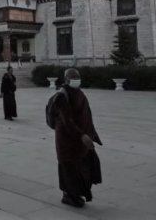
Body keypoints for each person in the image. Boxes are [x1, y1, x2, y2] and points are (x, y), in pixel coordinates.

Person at [54, 68, 102, 208]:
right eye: (73, 77)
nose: (76, 79)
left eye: (77, 76)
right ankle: (68, 195)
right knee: (70, 168)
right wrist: (82, 135)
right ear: (67, 79)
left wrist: (92, 134)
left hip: (82, 139)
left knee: (84, 167)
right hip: (67, 140)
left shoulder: (79, 93)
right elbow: (67, 121)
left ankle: (75, 194)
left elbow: (87, 115)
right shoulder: (62, 96)